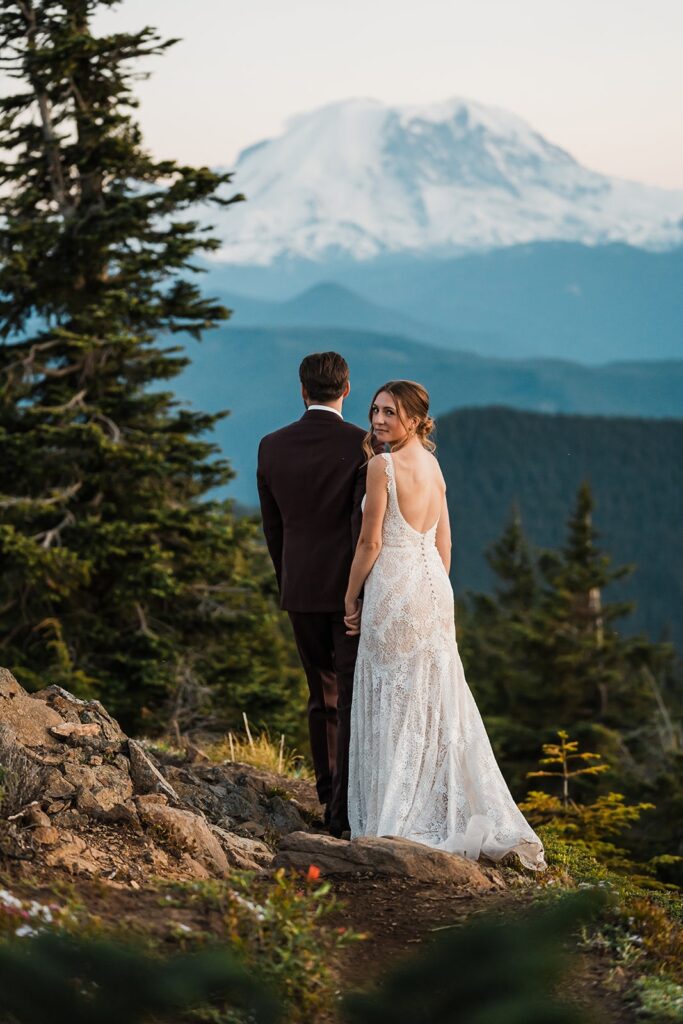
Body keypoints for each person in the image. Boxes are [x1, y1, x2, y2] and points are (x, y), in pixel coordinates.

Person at [344, 380, 546, 870]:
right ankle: (439, 805)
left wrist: (350, 597)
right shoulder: (434, 466)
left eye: (390, 413)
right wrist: (433, 589)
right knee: (433, 699)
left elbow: (370, 544)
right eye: (374, 411)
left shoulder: (381, 466)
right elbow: (445, 545)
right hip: (433, 588)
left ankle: (393, 813)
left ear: (414, 419)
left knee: (393, 697)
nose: (378, 420)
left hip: (394, 589)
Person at [257, 352, 367, 838]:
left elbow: (273, 527)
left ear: (302, 391)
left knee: (320, 694)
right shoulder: (364, 445)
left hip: (300, 588)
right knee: (352, 696)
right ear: (347, 390)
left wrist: (289, 578)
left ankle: (326, 797)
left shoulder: (271, 446)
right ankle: (347, 807)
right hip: (351, 592)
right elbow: (364, 526)